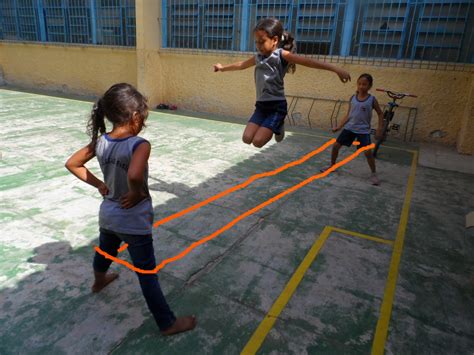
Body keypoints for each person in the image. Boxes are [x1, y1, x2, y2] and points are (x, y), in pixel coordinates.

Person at [65, 83, 196, 335]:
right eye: (143, 117)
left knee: (105, 250)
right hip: (133, 221)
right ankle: (167, 323)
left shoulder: (100, 142)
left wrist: (99, 184)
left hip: (108, 215)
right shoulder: (140, 145)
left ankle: (99, 281)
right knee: (147, 272)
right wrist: (136, 192)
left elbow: (73, 163)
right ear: (135, 116)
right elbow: (135, 174)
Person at [213, 17, 351, 148]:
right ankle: (274, 126)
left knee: (258, 142)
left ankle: (278, 125)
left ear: (274, 40)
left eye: (261, 41)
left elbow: (309, 62)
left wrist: (336, 69)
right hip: (261, 105)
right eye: (256, 42)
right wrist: (222, 68)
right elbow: (241, 65)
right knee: (247, 139)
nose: (258, 45)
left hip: (277, 106)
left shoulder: (281, 55)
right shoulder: (258, 57)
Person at [325, 73, 384, 185]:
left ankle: (374, 174)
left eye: (365, 84)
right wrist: (339, 126)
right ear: (357, 84)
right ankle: (332, 166)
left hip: (363, 131)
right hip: (350, 128)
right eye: (360, 84)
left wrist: (379, 129)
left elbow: (380, 114)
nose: (361, 86)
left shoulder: (372, 100)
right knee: (336, 146)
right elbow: (348, 115)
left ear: (369, 86)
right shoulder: (353, 98)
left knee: (367, 152)